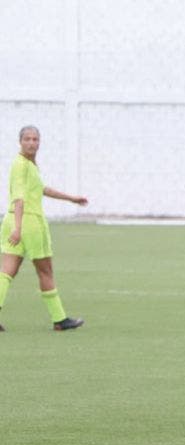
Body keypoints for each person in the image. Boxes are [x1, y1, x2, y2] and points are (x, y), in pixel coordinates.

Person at [0, 126, 87, 332]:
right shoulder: (22, 165)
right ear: (20, 142)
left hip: (12, 221)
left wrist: (71, 198)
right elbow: (20, 199)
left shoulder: (27, 164)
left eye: (35, 139)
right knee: (45, 271)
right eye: (27, 139)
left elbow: (41, 189)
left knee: (5, 272)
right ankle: (59, 319)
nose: (32, 143)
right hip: (28, 223)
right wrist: (19, 228)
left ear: (39, 142)